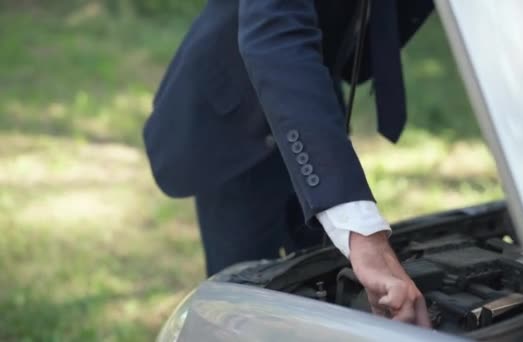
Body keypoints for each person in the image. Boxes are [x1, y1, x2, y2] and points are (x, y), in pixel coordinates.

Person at [143, 0, 433, 327]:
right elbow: (274, 33)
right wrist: (362, 232)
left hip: (314, 106)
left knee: (323, 291)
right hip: (232, 119)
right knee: (242, 308)